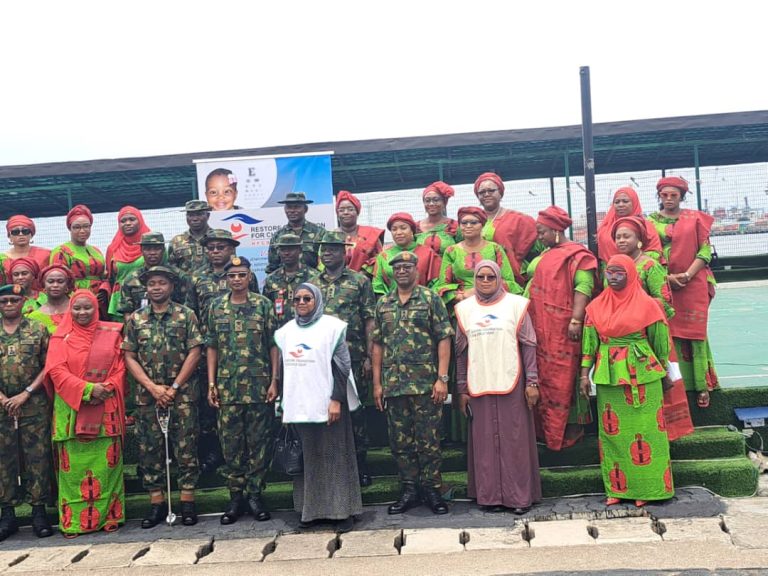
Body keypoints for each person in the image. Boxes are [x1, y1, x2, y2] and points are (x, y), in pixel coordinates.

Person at [581, 254, 674, 507]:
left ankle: (649, 489)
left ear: (631, 274)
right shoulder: (595, 307)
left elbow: (660, 342)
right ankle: (618, 489)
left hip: (644, 374)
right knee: (613, 436)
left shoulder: (649, 306)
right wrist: (583, 373)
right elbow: (589, 342)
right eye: (609, 272)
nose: (613, 277)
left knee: (648, 432)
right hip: (609, 377)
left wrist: (663, 370)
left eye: (619, 272)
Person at [275, 283, 363, 533]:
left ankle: (341, 512)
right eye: (297, 299)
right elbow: (284, 369)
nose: (302, 303)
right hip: (300, 404)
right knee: (308, 460)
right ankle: (310, 512)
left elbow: (343, 366)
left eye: (307, 298)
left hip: (329, 404)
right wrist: (283, 402)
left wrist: (336, 399)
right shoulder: (286, 332)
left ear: (318, 301)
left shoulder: (331, 328)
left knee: (334, 456)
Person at [455, 262, 541, 513]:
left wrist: (532, 382)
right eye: (479, 277)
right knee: (484, 445)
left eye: (490, 276)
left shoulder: (516, 305)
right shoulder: (464, 309)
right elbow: (460, 353)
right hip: (478, 384)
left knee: (515, 441)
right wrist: (461, 389)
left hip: (512, 383)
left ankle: (519, 498)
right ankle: (489, 497)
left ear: (499, 278)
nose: (484, 281)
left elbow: (529, 345)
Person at [372, 251, 454, 515]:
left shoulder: (430, 299)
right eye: (397, 268)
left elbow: (444, 338)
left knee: (428, 440)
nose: (402, 271)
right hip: (394, 386)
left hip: (425, 385)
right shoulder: (383, 303)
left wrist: (442, 378)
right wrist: (377, 383)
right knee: (400, 442)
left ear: (416, 270)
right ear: (392, 273)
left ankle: (431, 488)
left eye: (407, 267)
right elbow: (377, 345)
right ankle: (409, 488)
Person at [122, 266, 203, 528]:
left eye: (162, 283)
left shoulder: (186, 315)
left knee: (186, 450)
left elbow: (195, 352)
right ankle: (157, 504)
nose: (157, 287)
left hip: (182, 396)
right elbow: (129, 356)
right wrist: (152, 387)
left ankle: (187, 503)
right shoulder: (136, 319)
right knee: (149, 451)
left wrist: (175, 387)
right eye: (152, 283)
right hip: (149, 398)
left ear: (171, 286)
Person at [44, 289, 126, 537]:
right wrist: (89, 389)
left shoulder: (111, 334)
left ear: (96, 308)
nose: (82, 313)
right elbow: (56, 371)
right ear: (71, 309)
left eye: (87, 307)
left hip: (105, 409)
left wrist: (108, 387)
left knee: (108, 467)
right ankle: (74, 522)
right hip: (71, 413)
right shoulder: (60, 338)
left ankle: (109, 517)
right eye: (77, 308)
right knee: (73, 472)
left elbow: (121, 367)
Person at [206, 257, 279, 525]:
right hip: (227, 387)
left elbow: (274, 345)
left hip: (259, 387)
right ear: (226, 279)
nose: (237, 279)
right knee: (231, 445)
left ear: (250, 277)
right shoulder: (215, 307)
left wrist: (275, 380)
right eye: (232, 275)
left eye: (242, 274)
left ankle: (255, 495)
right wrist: (211, 383)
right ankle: (236, 496)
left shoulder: (263, 305)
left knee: (260, 444)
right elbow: (211, 345)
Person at [611, 216, 693, 441]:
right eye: (617, 237)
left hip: (650, 336)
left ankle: (665, 434)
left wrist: (639, 308)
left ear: (639, 240)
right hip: (625, 338)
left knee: (661, 384)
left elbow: (665, 303)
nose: (621, 240)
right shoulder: (614, 266)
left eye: (626, 236)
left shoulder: (650, 266)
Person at [526, 205, 597, 451]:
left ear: (556, 230)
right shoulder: (545, 255)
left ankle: (571, 426)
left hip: (566, 328)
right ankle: (547, 428)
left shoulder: (579, 255)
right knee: (544, 375)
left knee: (566, 375)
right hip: (541, 327)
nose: (540, 236)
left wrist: (576, 319)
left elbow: (584, 287)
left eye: (543, 232)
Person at [649, 176, 719, 408]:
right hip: (663, 283)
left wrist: (687, 276)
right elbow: (648, 254)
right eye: (664, 195)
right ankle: (676, 387)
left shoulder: (695, 219)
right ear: (659, 196)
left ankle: (701, 385)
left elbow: (705, 251)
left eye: (674, 195)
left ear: (682, 196)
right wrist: (666, 279)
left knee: (695, 334)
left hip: (693, 284)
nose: (668, 199)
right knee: (669, 336)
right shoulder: (649, 222)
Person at [315, 231, 376, 486]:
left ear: (344, 252)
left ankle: (359, 466)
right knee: (325, 412)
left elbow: (369, 320)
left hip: (352, 357)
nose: (327, 253)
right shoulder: (312, 283)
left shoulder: (359, 281)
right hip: (320, 361)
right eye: (324, 249)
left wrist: (370, 356)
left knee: (355, 412)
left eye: (333, 249)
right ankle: (331, 468)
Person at [0, 285, 53, 541]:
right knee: (3, 460)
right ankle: (7, 514)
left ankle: (38, 513)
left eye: (13, 300)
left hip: (33, 403)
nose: (9, 304)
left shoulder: (38, 329)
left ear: (23, 301)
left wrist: (26, 393)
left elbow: (49, 365)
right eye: (4, 301)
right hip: (1, 406)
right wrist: (3, 398)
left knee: (37, 457)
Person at [435, 207, 522, 304]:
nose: (468, 226)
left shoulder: (495, 249)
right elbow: (443, 286)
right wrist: (461, 296)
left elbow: (509, 281)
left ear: (482, 225)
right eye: (464, 223)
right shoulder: (451, 251)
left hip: (494, 301)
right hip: (463, 303)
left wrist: (478, 291)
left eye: (474, 222)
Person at [474, 172, 540, 284]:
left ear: (500, 192)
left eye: (491, 191)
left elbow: (537, 250)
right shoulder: (471, 221)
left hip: (511, 279)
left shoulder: (519, 219)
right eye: (482, 192)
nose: (486, 194)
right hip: (479, 278)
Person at [116, 232, 194, 322]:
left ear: (163, 250)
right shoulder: (131, 279)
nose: (152, 253)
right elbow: (127, 313)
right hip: (143, 330)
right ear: (141, 250)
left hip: (174, 329)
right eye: (147, 249)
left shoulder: (178, 276)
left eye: (157, 249)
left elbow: (189, 308)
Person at [371, 213, 441, 296]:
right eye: (394, 229)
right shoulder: (383, 256)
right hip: (391, 305)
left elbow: (437, 282)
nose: (398, 232)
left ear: (412, 230)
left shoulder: (428, 253)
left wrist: (426, 300)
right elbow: (378, 285)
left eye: (403, 228)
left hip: (422, 304)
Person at [50, 205, 107, 306]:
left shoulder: (96, 251)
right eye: (77, 227)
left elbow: (104, 276)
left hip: (100, 301)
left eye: (86, 226)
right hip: (75, 302)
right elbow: (58, 280)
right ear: (70, 228)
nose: (82, 231)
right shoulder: (61, 251)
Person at [596, 187, 663, 267]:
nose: (620, 205)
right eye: (617, 202)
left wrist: (635, 264)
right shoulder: (605, 227)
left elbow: (654, 251)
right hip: (611, 273)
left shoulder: (646, 226)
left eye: (625, 201)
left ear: (634, 202)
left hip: (639, 272)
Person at [104, 206, 151, 320]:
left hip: (143, 297)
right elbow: (110, 278)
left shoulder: (150, 244)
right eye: (123, 221)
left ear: (140, 220)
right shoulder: (113, 248)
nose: (127, 223)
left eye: (132, 219)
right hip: (118, 300)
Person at [262, 234, 319, 328]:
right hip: (280, 333)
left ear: (300, 251)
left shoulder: (314, 277)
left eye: (291, 249)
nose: (286, 253)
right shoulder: (271, 279)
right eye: (283, 250)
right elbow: (266, 309)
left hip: (307, 331)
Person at [266, 192, 325, 273]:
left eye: (297, 207)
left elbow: (327, 263)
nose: (292, 211)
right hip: (285, 283)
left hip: (312, 282)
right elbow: (272, 267)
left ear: (305, 209)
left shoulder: (319, 233)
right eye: (289, 207)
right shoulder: (278, 236)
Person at [335, 190, 384, 274]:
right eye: (341, 210)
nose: (346, 212)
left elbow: (380, 259)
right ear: (337, 214)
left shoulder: (370, 234)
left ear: (357, 212)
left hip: (366, 281)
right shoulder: (330, 235)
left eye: (350, 209)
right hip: (336, 283)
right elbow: (322, 262)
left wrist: (363, 272)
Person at [168, 200, 216, 274]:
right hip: (185, 284)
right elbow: (171, 268)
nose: (195, 219)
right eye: (190, 215)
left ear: (208, 216)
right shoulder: (176, 242)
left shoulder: (218, 238)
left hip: (214, 284)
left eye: (199, 214)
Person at [416, 181, 461, 256]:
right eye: (427, 200)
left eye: (436, 200)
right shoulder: (416, 228)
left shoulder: (454, 226)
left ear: (444, 203)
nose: (431, 204)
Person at [28, 265, 74, 334]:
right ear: (44, 287)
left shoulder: (79, 309)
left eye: (60, 281)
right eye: (50, 281)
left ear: (67, 286)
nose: (55, 285)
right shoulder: (34, 316)